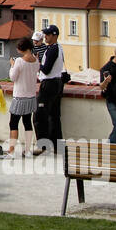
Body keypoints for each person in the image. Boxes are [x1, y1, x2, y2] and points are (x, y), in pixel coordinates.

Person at [36, 24, 68, 152]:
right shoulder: (58, 47)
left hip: (49, 84)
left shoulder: (52, 49)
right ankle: (57, 145)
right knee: (54, 115)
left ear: (54, 35)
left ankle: (43, 145)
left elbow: (47, 70)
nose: (45, 37)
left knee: (40, 115)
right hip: (57, 83)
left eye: (48, 35)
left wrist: (37, 63)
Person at [7, 37, 40, 157]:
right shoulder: (36, 61)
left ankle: (11, 150)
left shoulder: (20, 61)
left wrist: (12, 65)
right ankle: (27, 150)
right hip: (31, 96)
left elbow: (13, 77)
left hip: (20, 96)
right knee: (27, 123)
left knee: (13, 123)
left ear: (21, 48)